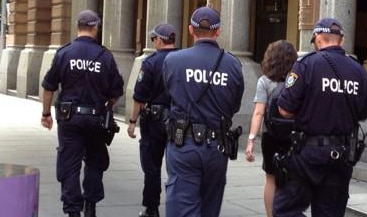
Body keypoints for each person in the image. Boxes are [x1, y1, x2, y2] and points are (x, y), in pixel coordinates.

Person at [274, 18, 367, 217]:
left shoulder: (306, 65)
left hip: (307, 153)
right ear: (341, 40)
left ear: (317, 38)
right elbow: (365, 113)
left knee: (284, 210)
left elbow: (284, 109)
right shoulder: (359, 71)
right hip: (342, 155)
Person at [40, 10, 124, 217]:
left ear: (78, 27)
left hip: (70, 119)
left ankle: (72, 211)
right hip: (96, 119)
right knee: (95, 162)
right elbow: (116, 92)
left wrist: (46, 114)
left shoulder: (64, 53)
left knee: (69, 165)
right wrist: (105, 107)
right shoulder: (105, 56)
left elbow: (49, 87)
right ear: (95, 27)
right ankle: (90, 206)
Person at [162, 6, 244, 217]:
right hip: (217, 146)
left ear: (191, 29)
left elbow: (169, 93)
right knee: (210, 207)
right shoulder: (233, 65)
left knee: (182, 207)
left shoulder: (173, 60)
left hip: (184, 145)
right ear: (218, 31)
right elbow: (233, 106)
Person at [127, 23, 178, 217]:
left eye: (153, 39)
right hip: (178, 121)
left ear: (159, 40)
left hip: (154, 122)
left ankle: (152, 208)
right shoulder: (183, 60)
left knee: (151, 167)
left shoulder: (151, 62)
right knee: (178, 168)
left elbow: (139, 96)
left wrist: (132, 122)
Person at [245, 40, 298, 217]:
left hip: (271, 136)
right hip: (294, 137)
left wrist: (251, 140)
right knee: (293, 178)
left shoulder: (264, 81)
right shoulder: (297, 81)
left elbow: (259, 112)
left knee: (270, 179)